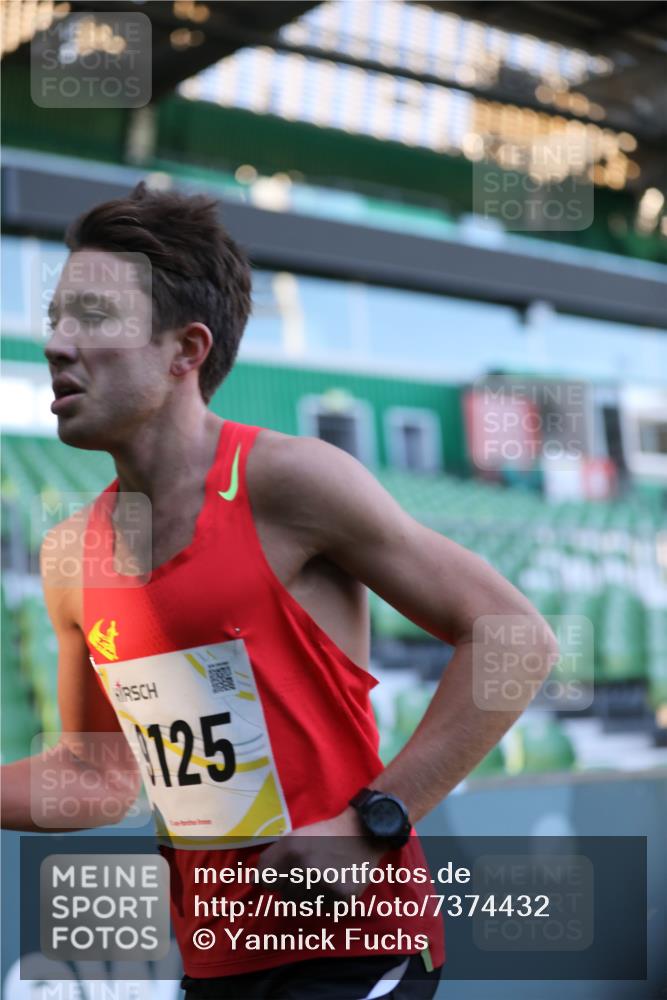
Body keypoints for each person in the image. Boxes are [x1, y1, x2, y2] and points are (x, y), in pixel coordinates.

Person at [1, 183, 558, 999]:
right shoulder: (68, 556)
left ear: (185, 351)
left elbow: (515, 636)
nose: (57, 343)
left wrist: (374, 826)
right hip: (215, 961)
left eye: (90, 317)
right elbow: (98, 775)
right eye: (55, 318)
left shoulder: (290, 481)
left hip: (354, 950)